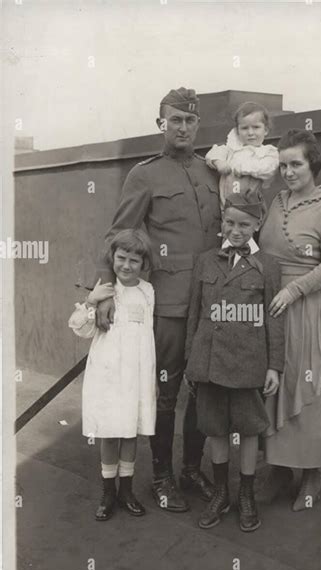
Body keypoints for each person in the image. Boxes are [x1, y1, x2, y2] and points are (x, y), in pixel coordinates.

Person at [93, 87, 222, 513]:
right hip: (167, 305)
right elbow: (119, 235)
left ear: (197, 124)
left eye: (189, 120)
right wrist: (106, 290)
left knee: (204, 390)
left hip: (210, 303)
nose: (182, 128)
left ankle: (190, 468)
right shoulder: (144, 175)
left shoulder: (212, 172)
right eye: (174, 120)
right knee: (166, 394)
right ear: (160, 124)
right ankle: (162, 477)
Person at [258, 129, 321, 511]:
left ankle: (312, 474)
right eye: (283, 165)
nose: (289, 171)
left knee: (310, 388)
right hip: (273, 310)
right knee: (273, 387)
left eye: (296, 163)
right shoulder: (276, 202)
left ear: (312, 164)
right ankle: (279, 470)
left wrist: (295, 290)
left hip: (309, 310)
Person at [185, 191, 285, 531]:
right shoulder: (206, 260)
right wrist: (190, 360)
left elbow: (274, 318)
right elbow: (195, 313)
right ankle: (221, 493)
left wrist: (274, 365)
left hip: (249, 362)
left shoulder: (269, 266)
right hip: (209, 360)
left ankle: (246, 495)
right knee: (215, 429)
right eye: (229, 222)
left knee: (248, 428)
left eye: (244, 224)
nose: (236, 230)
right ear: (222, 223)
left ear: (257, 224)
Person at [69, 229, 156, 521]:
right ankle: (108, 492)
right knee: (109, 432)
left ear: (144, 264)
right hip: (107, 376)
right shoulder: (103, 290)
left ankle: (126, 490)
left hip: (136, 375)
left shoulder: (147, 292)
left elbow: (146, 337)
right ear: (112, 258)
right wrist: (92, 301)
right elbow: (81, 328)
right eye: (121, 258)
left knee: (130, 432)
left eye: (134, 260)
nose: (127, 265)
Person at [205, 101, 279, 212]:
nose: (250, 132)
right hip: (226, 208)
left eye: (256, 127)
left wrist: (244, 168)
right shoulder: (231, 149)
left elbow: (268, 168)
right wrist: (218, 162)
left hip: (251, 209)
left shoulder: (267, 152)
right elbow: (213, 153)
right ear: (237, 131)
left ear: (266, 130)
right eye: (244, 128)